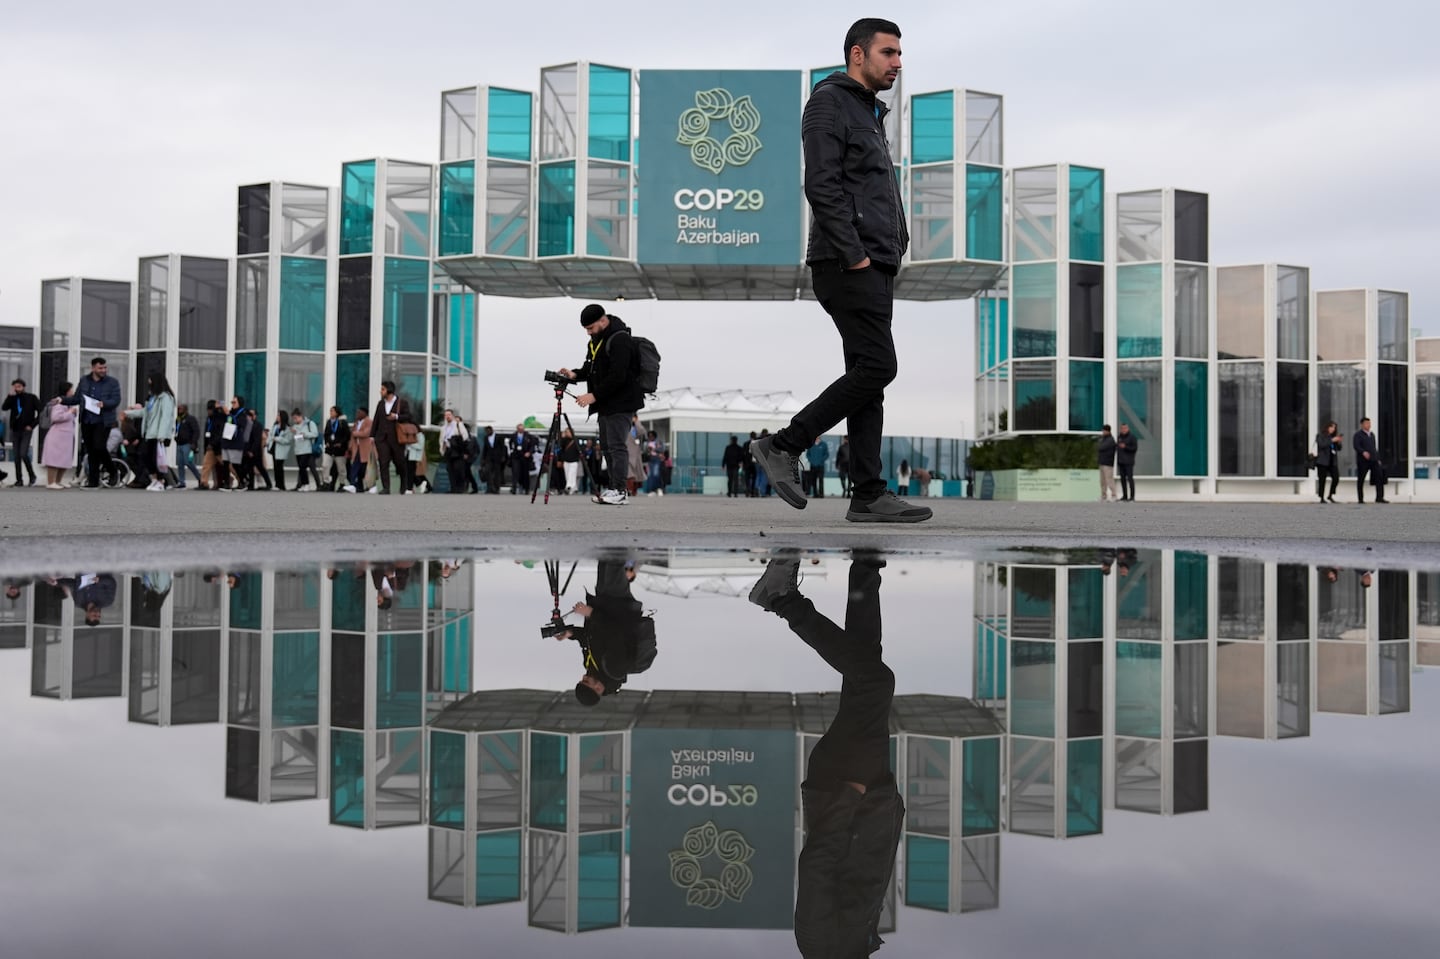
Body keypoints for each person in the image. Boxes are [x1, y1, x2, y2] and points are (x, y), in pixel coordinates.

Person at [749, 22, 926, 523]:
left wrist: (894, 246)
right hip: (848, 262)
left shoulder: (868, 111)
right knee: (879, 367)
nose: (897, 62)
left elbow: (871, 188)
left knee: (867, 376)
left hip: (874, 260)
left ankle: (868, 493)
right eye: (888, 52)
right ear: (857, 54)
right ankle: (784, 446)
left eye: (899, 53)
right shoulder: (829, 103)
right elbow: (821, 185)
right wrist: (856, 255)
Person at [748, 551, 900, 957]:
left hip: (844, 787)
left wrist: (851, 795)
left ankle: (780, 599)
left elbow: (816, 866)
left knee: (874, 681)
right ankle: (865, 570)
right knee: (865, 661)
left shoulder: (821, 948)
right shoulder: (851, 949)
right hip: (870, 791)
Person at [558, 304, 647, 507]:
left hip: (621, 402)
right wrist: (574, 374)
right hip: (606, 403)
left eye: (591, 328)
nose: (589, 332)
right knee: (607, 446)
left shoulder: (620, 339)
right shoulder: (597, 340)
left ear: (603, 320)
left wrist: (593, 396)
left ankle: (620, 490)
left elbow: (619, 376)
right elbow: (591, 368)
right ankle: (614, 488)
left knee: (617, 446)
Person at [552, 559, 653, 704]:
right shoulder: (615, 669)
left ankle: (629, 567)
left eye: (582, 680)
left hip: (604, 604)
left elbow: (591, 638)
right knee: (614, 559)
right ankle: (629, 548)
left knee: (606, 561)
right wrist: (590, 613)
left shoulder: (591, 668)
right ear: (598, 688)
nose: (584, 677)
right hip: (619, 607)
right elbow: (614, 631)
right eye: (586, 682)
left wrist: (570, 633)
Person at [61, 356, 122, 489]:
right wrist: (62, 400)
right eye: (100, 368)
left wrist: (104, 404)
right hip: (87, 419)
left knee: (99, 446)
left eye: (105, 367)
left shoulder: (112, 382)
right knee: (91, 451)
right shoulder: (84, 381)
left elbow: (116, 400)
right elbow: (77, 398)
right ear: (93, 368)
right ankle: (93, 481)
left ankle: (112, 471)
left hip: (103, 420)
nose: (103, 370)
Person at [123, 373, 177, 492]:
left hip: (158, 434)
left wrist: (162, 435)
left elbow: (166, 417)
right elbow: (145, 412)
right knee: (146, 457)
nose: (149, 384)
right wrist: (128, 413)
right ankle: (154, 479)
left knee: (156, 459)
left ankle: (161, 481)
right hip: (149, 432)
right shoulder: (152, 398)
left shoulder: (166, 398)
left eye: (150, 381)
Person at [370, 381, 415, 495]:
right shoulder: (381, 404)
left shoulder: (402, 402)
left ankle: (403, 485)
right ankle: (386, 487)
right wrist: (372, 435)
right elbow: (376, 420)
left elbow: (409, 416)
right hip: (382, 438)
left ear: (389, 390)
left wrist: (396, 416)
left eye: (383, 389)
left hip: (396, 438)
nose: (381, 391)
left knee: (399, 462)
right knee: (383, 462)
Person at [3, 378, 40, 487]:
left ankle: (32, 475)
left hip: (26, 429)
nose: (17, 388)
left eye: (19, 386)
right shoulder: (13, 399)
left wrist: (32, 425)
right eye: (15, 386)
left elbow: (40, 412)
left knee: (23, 453)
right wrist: (9, 396)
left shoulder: (31, 398)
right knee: (16, 456)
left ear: (23, 387)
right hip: (15, 429)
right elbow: (4, 408)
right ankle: (19, 479)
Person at [40, 383, 77, 490]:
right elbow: (56, 417)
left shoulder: (67, 404)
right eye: (71, 390)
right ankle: (51, 482)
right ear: (67, 391)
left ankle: (58, 481)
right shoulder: (59, 403)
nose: (73, 392)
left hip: (66, 436)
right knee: (54, 459)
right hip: (58, 435)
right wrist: (70, 413)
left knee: (64, 459)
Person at [217, 396, 252, 492]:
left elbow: (239, 424)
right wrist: (220, 410)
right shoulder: (231, 412)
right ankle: (226, 484)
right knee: (225, 463)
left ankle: (243, 481)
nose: (232, 404)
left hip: (236, 442)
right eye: (231, 402)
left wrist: (229, 414)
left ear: (239, 403)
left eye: (234, 402)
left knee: (236, 464)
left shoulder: (243, 414)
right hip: (226, 440)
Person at [1352, 417, 1388, 504]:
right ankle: (1360, 498)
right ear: (1362, 424)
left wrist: (1378, 458)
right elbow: (1356, 446)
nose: (1368, 425)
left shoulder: (1372, 435)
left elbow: (1374, 448)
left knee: (1379, 476)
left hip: (1373, 459)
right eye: (1366, 423)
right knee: (1361, 478)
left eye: (1369, 423)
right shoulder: (1358, 435)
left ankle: (1379, 497)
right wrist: (1363, 452)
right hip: (1363, 461)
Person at [289, 409, 322, 491]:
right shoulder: (295, 426)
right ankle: (303, 484)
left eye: (296, 418)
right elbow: (293, 438)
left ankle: (307, 484)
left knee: (304, 467)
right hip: (298, 450)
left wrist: (305, 435)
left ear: (301, 416)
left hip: (307, 449)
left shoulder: (309, 423)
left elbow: (315, 434)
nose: (295, 420)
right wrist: (293, 433)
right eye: (293, 418)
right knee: (301, 467)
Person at [441, 409, 471, 494]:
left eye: (449, 415)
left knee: (458, 469)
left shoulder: (458, 425)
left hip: (457, 450)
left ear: (453, 416)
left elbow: (465, 436)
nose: (447, 416)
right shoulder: (443, 428)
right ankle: (453, 488)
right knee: (450, 470)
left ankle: (460, 487)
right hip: (448, 449)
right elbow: (441, 440)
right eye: (446, 415)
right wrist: (442, 450)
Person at [173, 403, 202, 489]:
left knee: (188, 462)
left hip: (187, 444)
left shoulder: (190, 419)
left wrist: (193, 442)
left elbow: (196, 431)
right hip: (179, 444)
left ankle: (200, 477)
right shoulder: (178, 419)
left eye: (181, 409)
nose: (179, 410)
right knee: (180, 464)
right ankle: (182, 482)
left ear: (185, 409)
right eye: (178, 409)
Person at [321, 406, 351, 491]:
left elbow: (347, 435)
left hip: (339, 449)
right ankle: (326, 482)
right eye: (330, 411)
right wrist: (326, 441)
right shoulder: (329, 422)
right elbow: (326, 433)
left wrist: (341, 443)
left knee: (341, 468)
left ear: (337, 412)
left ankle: (342, 483)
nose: (331, 413)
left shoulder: (342, 422)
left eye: (332, 411)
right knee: (325, 465)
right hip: (330, 448)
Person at [346, 405, 373, 493]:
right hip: (357, 448)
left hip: (365, 448)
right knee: (355, 466)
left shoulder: (369, 422)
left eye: (359, 412)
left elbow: (366, 433)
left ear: (364, 413)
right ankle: (353, 484)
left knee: (365, 468)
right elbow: (352, 436)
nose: (357, 414)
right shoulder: (357, 422)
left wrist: (355, 433)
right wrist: (350, 447)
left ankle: (370, 486)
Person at [1314, 421, 1342, 504]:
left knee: (1336, 478)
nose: (1333, 429)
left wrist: (1338, 441)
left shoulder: (1333, 437)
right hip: (1323, 461)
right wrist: (1332, 440)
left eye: (1334, 428)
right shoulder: (1320, 436)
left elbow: (1339, 448)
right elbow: (1322, 444)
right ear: (1327, 427)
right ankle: (1321, 497)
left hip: (1332, 461)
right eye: (1331, 427)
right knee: (1322, 480)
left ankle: (1331, 494)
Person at [246, 409, 273, 490]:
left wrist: (252, 450)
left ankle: (269, 484)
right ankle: (251, 484)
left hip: (256, 451)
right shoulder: (248, 425)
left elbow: (257, 439)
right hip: (249, 449)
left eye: (252, 414)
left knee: (260, 467)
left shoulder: (258, 425)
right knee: (250, 468)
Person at [268, 410, 293, 490]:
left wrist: (278, 439)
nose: (277, 417)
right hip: (274, 448)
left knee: (279, 467)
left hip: (281, 450)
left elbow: (288, 440)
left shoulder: (287, 428)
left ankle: (281, 485)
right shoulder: (275, 426)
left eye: (279, 416)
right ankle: (277, 484)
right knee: (275, 467)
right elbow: (271, 435)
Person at [1115, 423, 1139, 502]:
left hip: (1129, 462)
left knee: (1130, 479)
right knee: (1122, 479)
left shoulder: (1132, 437)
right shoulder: (1119, 437)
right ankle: (1125, 496)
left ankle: (1132, 497)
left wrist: (1126, 447)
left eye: (1125, 428)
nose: (1123, 430)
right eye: (1122, 428)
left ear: (1128, 429)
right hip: (1121, 461)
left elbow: (1134, 448)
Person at [1097, 424, 1118, 502]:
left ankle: (1114, 495)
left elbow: (1101, 447)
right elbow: (1099, 447)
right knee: (1102, 481)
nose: (1102, 432)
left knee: (1109, 480)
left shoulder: (1110, 440)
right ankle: (1103, 495)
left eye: (1104, 430)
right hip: (1102, 462)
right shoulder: (1103, 439)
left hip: (1108, 463)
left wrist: (1100, 444)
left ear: (1107, 431)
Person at [643, 429, 667, 496]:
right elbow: (644, 451)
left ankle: (658, 488)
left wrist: (654, 449)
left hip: (657, 459)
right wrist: (647, 451)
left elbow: (662, 449)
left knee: (656, 474)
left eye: (652, 436)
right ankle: (651, 490)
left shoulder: (658, 442)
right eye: (649, 436)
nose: (650, 437)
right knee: (650, 475)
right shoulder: (646, 443)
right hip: (650, 459)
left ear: (654, 436)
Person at [559, 427, 581, 495]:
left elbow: (579, 449)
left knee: (572, 473)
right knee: (567, 475)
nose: (567, 433)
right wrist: (562, 437)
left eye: (568, 432)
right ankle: (573, 487)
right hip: (566, 460)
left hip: (574, 460)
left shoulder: (575, 440)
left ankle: (569, 487)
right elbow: (561, 447)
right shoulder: (565, 440)